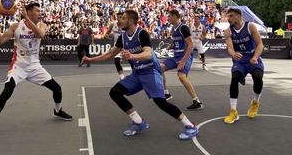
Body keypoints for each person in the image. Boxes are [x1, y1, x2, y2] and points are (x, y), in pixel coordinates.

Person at [82, 10, 199, 140]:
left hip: (150, 72)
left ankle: (190, 126)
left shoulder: (141, 34)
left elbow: (148, 53)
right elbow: (110, 54)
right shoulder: (123, 37)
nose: (119, 21)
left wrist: (132, 55)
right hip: (137, 73)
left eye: (123, 18)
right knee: (115, 92)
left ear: (131, 21)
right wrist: (91, 59)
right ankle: (139, 122)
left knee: (161, 102)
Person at [0, 2, 72, 140]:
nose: (40, 13)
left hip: (35, 67)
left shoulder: (42, 25)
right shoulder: (16, 27)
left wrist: (27, 19)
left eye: (40, 11)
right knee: (7, 91)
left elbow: (40, 35)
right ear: (28, 12)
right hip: (18, 66)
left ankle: (57, 111)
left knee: (57, 88)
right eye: (37, 11)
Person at [223, 8, 264, 124]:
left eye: (231, 16)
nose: (228, 18)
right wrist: (233, 54)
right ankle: (233, 111)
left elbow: (260, 44)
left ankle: (255, 102)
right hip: (240, 60)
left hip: (252, 57)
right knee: (234, 78)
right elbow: (230, 48)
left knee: (257, 77)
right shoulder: (228, 31)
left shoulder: (250, 26)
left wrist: (255, 57)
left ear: (238, 16)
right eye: (227, 16)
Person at [161, 10, 204, 110]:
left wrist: (183, 61)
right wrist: (167, 48)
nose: (168, 18)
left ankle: (197, 101)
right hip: (176, 56)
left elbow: (190, 45)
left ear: (175, 17)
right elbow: (175, 43)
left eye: (170, 16)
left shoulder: (183, 27)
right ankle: (166, 93)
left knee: (181, 76)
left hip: (185, 56)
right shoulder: (173, 29)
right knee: (159, 69)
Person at [104, 11, 125, 80]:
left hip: (126, 46)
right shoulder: (113, 25)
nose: (119, 19)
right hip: (117, 47)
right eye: (118, 17)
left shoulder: (126, 25)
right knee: (116, 61)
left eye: (121, 17)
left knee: (133, 62)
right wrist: (110, 36)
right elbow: (106, 35)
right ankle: (122, 77)